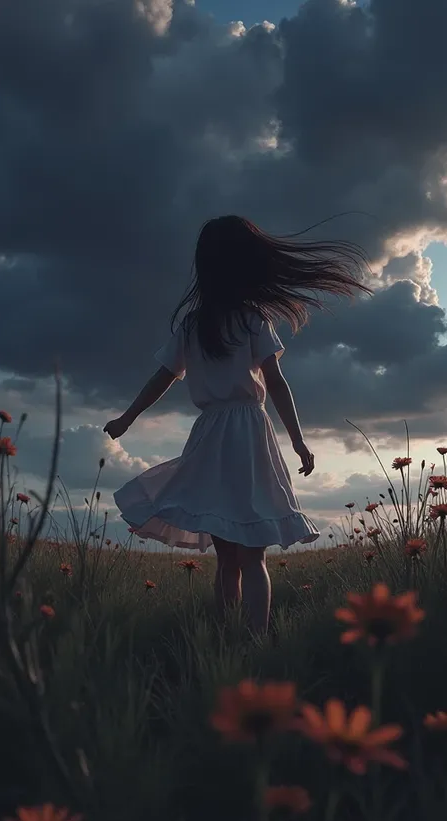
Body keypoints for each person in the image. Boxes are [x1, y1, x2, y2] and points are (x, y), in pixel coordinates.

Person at [104, 215, 372, 633]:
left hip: (211, 436)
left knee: (228, 557)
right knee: (252, 556)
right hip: (247, 435)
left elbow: (162, 378)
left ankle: (231, 635)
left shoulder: (194, 324)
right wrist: (298, 441)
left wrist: (127, 418)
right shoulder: (250, 320)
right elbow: (276, 383)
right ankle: (255, 640)